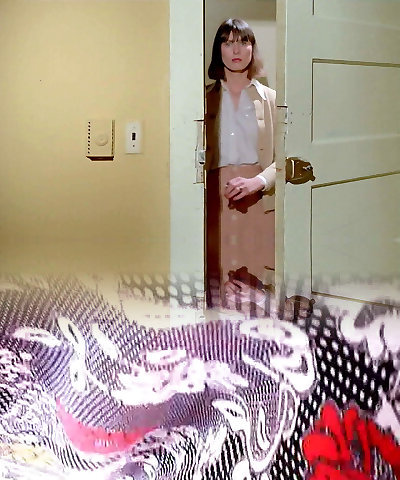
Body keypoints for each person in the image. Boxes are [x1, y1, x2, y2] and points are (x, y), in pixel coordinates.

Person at [205, 18, 277, 311]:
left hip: (259, 200)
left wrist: (257, 182)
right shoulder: (203, 99)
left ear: (252, 48)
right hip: (214, 203)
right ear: (218, 49)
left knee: (256, 287)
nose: (236, 50)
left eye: (243, 42)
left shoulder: (270, 99)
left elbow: (286, 156)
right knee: (215, 285)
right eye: (227, 42)